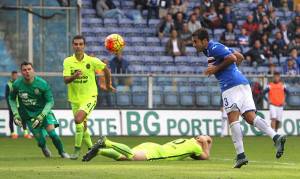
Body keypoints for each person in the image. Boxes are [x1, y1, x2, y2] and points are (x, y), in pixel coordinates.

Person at [191, 28, 287, 168]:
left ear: (204, 40)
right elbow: (240, 57)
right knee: (250, 117)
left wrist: (216, 70)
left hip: (230, 86)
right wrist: (232, 71)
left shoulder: (213, 48)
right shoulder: (213, 48)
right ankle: (276, 137)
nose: (194, 44)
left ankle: (241, 155)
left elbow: (233, 58)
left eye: (196, 41)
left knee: (232, 119)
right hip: (242, 83)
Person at [63, 35, 115, 160]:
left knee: (78, 119)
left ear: (84, 46)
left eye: (81, 44)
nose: (78, 46)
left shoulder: (92, 61)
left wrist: (108, 84)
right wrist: (74, 76)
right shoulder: (68, 61)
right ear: (72, 45)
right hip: (75, 99)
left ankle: (76, 151)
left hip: (90, 97)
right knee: (81, 125)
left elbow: (106, 70)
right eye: (76, 44)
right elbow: (65, 80)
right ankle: (92, 149)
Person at [9, 62, 69, 158]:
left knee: (53, 134)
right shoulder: (17, 85)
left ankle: (62, 152)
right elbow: (11, 99)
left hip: (44, 113)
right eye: (24, 70)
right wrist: (16, 114)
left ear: (33, 70)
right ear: (21, 72)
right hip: (29, 116)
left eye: (29, 69)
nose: (27, 72)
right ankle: (43, 147)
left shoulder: (42, 84)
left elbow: (50, 101)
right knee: (41, 141)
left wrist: (42, 115)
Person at [82, 135, 212, 162]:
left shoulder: (188, 140)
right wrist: (207, 142)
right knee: (131, 156)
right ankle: (106, 142)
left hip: (152, 145)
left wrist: (204, 140)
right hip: (158, 152)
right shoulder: (196, 147)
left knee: (124, 157)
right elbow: (206, 156)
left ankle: (99, 151)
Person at [5, 71, 32, 139]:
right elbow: (7, 96)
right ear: (12, 76)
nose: (15, 77)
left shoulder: (20, 84)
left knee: (23, 118)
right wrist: (10, 105)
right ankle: (13, 133)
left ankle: (26, 133)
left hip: (20, 104)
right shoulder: (8, 84)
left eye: (16, 76)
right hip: (12, 105)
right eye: (14, 76)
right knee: (11, 119)